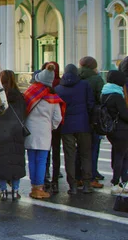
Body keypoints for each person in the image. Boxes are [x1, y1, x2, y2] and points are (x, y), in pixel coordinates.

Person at [24, 65, 65, 199]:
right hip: (45, 131)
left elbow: (24, 111)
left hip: (30, 130)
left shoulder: (30, 93)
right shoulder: (53, 97)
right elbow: (57, 118)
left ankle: (33, 187)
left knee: (31, 160)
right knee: (41, 160)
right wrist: (50, 127)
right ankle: (39, 188)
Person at [55, 64, 96, 194]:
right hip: (83, 124)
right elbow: (91, 104)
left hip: (66, 126)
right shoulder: (84, 85)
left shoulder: (58, 89)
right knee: (85, 154)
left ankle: (72, 185)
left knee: (69, 156)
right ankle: (87, 184)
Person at [0, 70, 27, 201]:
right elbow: (24, 113)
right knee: (15, 161)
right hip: (16, 132)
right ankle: (15, 190)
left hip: (0, 132)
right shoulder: (20, 97)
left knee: (1, 162)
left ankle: (3, 190)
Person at [78, 56, 106, 183]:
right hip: (94, 118)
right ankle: (92, 174)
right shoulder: (96, 79)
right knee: (94, 147)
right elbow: (102, 98)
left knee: (80, 148)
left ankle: (79, 175)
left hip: (78, 117)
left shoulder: (76, 77)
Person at [101, 71, 128, 195]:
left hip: (111, 130)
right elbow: (124, 115)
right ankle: (117, 182)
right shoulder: (117, 95)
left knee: (117, 154)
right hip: (121, 130)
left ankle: (120, 181)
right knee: (122, 156)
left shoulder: (104, 93)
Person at [43, 61, 62, 187]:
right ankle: (55, 177)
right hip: (57, 125)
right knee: (56, 151)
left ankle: (45, 173)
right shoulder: (60, 84)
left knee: (45, 151)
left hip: (45, 124)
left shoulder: (43, 88)